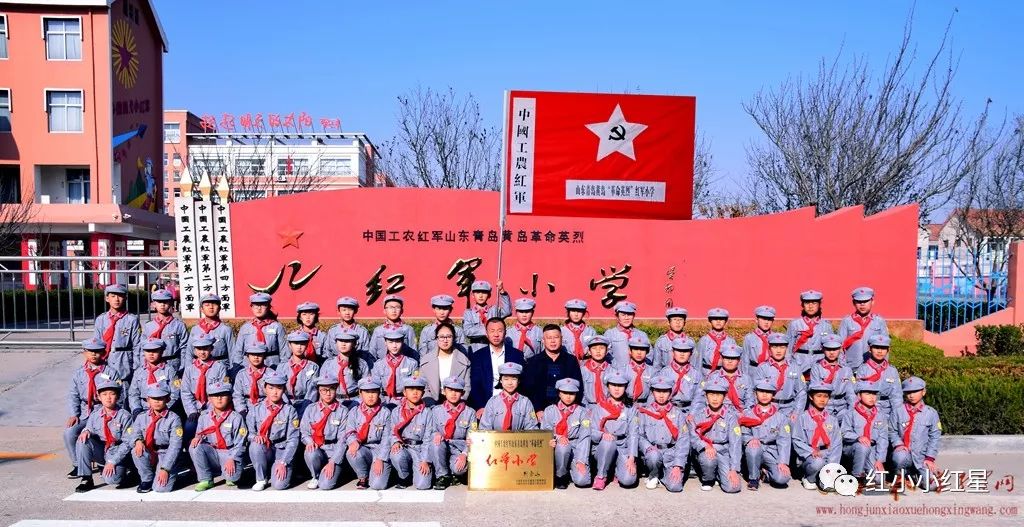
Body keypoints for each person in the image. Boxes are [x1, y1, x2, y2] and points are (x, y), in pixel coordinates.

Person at [64, 337, 121, 477]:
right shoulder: (79, 373)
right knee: (69, 432)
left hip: (103, 412)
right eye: (90, 351)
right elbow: (73, 395)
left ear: (103, 352)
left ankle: (103, 460)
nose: (94, 354)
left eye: (97, 351)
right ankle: (78, 464)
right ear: (84, 352)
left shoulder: (111, 372)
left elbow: (120, 395)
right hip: (85, 412)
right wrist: (74, 414)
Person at [72, 376, 132, 492]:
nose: (108, 398)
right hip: (102, 449)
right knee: (82, 440)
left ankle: (126, 470)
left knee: (112, 479)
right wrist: (86, 431)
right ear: (99, 397)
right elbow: (89, 427)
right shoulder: (95, 414)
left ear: (118, 396)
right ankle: (86, 478)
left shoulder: (125, 416)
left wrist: (112, 461)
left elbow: (128, 443)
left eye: (112, 394)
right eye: (104, 394)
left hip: (117, 451)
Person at [188, 380, 247, 491]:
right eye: (215, 395)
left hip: (229, 453)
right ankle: (206, 479)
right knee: (194, 446)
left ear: (229, 397)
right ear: (209, 399)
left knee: (233, 479)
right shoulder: (204, 417)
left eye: (223, 395)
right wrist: (197, 438)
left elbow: (241, 443)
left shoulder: (236, 417)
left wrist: (232, 458)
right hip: (213, 452)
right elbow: (199, 435)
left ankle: (228, 473)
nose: (219, 398)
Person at [246, 371, 299, 491]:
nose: (275, 392)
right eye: (271, 388)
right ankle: (261, 478)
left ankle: (284, 468)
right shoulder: (256, 409)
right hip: (265, 448)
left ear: (284, 390)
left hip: (282, 449)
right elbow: (249, 432)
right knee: (255, 445)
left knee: (279, 485)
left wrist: (283, 462)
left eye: (279, 388)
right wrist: (254, 437)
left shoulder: (290, 410)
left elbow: (293, 439)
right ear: (265, 389)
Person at [688, 376, 742, 493]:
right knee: (709, 459)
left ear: (724, 397)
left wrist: (734, 470)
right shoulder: (699, 415)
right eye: (711, 394)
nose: (715, 398)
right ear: (706, 396)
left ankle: (719, 474)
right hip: (706, 451)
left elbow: (735, 444)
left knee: (733, 488)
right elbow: (693, 437)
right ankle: (708, 479)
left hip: (724, 452)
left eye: (718, 395)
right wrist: (705, 446)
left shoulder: (731, 417)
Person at [638, 375, 690, 492]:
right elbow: (640, 435)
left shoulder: (678, 414)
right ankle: (654, 474)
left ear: (670, 392)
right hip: (653, 452)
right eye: (658, 391)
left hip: (671, 453)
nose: (661, 395)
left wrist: (678, 465)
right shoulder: (645, 412)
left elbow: (683, 440)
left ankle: (663, 475)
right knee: (653, 456)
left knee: (675, 487)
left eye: (665, 391)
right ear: (652, 392)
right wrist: (648, 448)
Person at [738, 379, 792, 491]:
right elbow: (743, 433)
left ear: (773, 395)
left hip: (772, 451)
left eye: (768, 392)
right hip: (754, 450)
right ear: (755, 394)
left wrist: (783, 462)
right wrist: (749, 439)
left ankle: (766, 474)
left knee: (783, 478)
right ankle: (754, 478)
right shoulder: (748, 414)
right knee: (753, 448)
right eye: (761, 391)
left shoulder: (780, 417)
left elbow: (784, 441)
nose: (764, 395)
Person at [890, 377, 942, 491]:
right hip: (905, 453)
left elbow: (935, 437)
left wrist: (929, 458)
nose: (911, 395)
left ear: (923, 392)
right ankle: (900, 476)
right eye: (908, 392)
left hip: (922, 457)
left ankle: (916, 474)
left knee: (932, 486)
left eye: (915, 391)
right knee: (899, 457)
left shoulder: (931, 413)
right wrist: (898, 444)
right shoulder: (898, 411)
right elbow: (892, 431)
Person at [588, 369, 638, 490]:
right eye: (613, 385)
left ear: (625, 387)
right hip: (603, 447)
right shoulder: (599, 408)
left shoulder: (630, 409)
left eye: (620, 385)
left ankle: (616, 471)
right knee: (608, 442)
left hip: (622, 447)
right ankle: (601, 476)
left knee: (628, 480)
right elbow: (592, 432)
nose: (617, 389)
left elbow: (633, 433)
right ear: (608, 387)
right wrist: (602, 435)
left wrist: (632, 457)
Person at [129, 384, 183, 493]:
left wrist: (165, 468)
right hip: (150, 451)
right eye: (153, 398)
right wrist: (138, 440)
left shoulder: (174, 418)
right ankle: (147, 479)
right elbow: (134, 434)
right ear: (148, 400)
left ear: (167, 399)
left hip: (165, 453)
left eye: (160, 398)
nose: (156, 401)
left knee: (161, 488)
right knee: (136, 450)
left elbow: (175, 446)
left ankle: (169, 471)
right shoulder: (141, 417)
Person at [299, 373, 350, 490]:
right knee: (310, 452)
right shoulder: (311, 409)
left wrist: (333, 461)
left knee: (326, 485)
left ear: (336, 389)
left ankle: (336, 471)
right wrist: (309, 442)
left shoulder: (343, 411)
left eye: (331, 389)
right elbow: (304, 431)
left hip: (333, 450)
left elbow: (343, 440)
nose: (328, 393)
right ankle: (315, 475)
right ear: (318, 390)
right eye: (324, 390)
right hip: (318, 449)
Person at [540, 378, 592, 489]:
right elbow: (545, 432)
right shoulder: (550, 410)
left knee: (582, 481)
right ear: (559, 393)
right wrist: (558, 437)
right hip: (555, 447)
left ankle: (571, 469)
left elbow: (585, 437)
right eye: (565, 393)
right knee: (563, 446)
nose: (568, 397)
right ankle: (561, 475)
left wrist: (581, 460)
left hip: (575, 447)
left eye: (572, 393)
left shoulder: (582, 412)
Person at [522, 324, 584, 414]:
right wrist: (537, 409)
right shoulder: (533, 362)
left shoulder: (571, 361)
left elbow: (578, 387)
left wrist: (571, 409)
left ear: (561, 339)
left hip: (567, 410)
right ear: (543, 340)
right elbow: (528, 389)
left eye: (556, 337)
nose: (553, 341)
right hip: (540, 411)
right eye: (549, 338)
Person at [428, 376, 477, 490]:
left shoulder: (470, 412)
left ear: (463, 393)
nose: (453, 394)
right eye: (450, 390)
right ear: (443, 391)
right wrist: (436, 434)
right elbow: (431, 430)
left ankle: (454, 474)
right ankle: (442, 475)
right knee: (436, 443)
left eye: (457, 391)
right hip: (442, 445)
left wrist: (464, 454)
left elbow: (472, 437)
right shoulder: (436, 411)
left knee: (460, 469)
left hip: (459, 448)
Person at [792, 381, 843, 490]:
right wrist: (810, 451)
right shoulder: (802, 418)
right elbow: (796, 440)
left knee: (828, 485)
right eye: (818, 396)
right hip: (809, 457)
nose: (822, 399)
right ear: (811, 397)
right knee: (817, 462)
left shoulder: (832, 420)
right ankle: (809, 478)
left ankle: (824, 477)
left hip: (827, 454)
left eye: (826, 396)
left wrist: (832, 466)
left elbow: (836, 444)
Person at [343, 378, 392, 490]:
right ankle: (363, 477)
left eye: (374, 392)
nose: (370, 396)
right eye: (367, 392)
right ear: (360, 393)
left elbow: (387, 439)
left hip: (378, 449)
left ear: (379, 393)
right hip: (363, 448)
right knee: (351, 453)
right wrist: (353, 441)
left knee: (378, 485)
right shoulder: (354, 412)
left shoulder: (385, 413)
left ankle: (384, 471)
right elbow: (349, 430)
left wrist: (380, 459)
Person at [387, 376, 433, 490]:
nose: (415, 392)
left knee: (423, 485)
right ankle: (404, 476)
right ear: (404, 392)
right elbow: (392, 431)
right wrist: (395, 442)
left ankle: (418, 471)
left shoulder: (427, 412)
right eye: (411, 389)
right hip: (404, 447)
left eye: (418, 389)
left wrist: (425, 460)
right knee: (396, 454)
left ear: (423, 392)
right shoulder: (396, 411)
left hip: (420, 449)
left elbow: (428, 438)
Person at [468, 318, 524, 410]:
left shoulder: (516, 355)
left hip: (512, 404)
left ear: (505, 333)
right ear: (486, 334)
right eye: (492, 331)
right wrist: (480, 407)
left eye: (500, 331)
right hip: (486, 404)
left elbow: (522, 383)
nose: (496, 335)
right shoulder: (478, 356)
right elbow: (475, 385)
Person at [181, 335, 230, 442]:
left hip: (212, 407)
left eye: (205, 348)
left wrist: (212, 409)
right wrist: (192, 411)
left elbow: (222, 391)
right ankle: (189, 455)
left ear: (211, 349)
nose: (202, 352)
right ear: (194, 351)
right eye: (199, 349)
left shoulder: (220, 367)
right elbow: (185, 392)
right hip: (195, 407)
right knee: (189, 429)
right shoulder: (190, 369)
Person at [841, 380, 889, 485]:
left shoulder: (881, 415)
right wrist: (858, 437)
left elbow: (883, 439)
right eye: (867, 393)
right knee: (862, 447)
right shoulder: (850, 413)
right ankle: (856, 477)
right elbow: (844, 433)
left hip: (872, 449)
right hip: (853, 447)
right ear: (859, 395)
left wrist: (879, 460)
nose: (872, 397)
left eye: (874, 394)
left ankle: (868, 472)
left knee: (879, 479)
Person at [92, 283, 141, 379]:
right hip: (106, 360)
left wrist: (136, 367)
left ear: (125, 298)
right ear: (107, 298)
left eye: (120, 296)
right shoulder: (101, 320)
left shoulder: (132, 320)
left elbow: (137, 345)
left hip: (125, 361)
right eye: (113, 296)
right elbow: (96, 344)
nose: (116, 299)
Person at [418, 321, 472, 406]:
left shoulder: (464, 361)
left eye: (449, 337)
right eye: (442, 337)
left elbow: (466, 387)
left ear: (454, 338)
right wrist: (430, 403)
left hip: (456, 404)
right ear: (436, 339)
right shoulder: (426, 361)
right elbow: (423, 386)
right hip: (432, 403)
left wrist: (457, 402)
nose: (445, 340)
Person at [752, 333, 806, 418]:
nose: (778, 351)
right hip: (769, 408)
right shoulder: (763, 368)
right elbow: (756, 392)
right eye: (775, 347)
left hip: (789, 409)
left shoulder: (795, 368)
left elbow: (801, 392)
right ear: (769, 349)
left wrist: (796, 412)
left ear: (787, 349)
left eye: (782, 347)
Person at [838, 287, 889, 370]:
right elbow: (839, 346)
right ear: (853, 303)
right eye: (859, 302)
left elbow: (885, 346)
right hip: (850, 367)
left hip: (873, 367)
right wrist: (843, 366)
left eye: (865, 301)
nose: (862, 304)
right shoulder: (847, 321)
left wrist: (884, 367)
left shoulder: (879, 321)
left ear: (872, 302)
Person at [127, 338, 180, 417]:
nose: (151, 354)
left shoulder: (169, 370)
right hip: (143, 409)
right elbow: (133, 394)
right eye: (148, 351)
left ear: (161, 352)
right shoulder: (139, 372)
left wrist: (165, 408)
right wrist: (136, 408)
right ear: (144, 353)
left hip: (164, 410)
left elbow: (175, 393)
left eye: (155, 351)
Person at [479, 362, 539, 431]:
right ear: (501, 380)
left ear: (519, 381)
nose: (510, 383)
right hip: (495, 440)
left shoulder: (525, 402)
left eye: (514, 379)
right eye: (506, 379)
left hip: (518, 440)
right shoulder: (492, 402)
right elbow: (484, 428)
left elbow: (532, 429)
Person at [232, 292, 288, 368]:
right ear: (251, 307)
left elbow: (284, 350)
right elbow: (238, 351)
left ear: (268, 307)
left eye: (262, 305)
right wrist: (237, 368)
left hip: (272, 365)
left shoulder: (276, 326)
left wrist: (283, 368)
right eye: (256, 305)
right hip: (249, 367)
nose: (259, 308)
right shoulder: (245, 327)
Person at [786, 290, 835, 375]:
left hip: (819, 361)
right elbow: (788, 347)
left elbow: (831, 346)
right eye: (807, 303)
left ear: (819, 305)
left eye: (814, 303)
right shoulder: (795, 324)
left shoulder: (826, 325)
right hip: (799, 361)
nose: (810, 306)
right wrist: (788, 364)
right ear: (802, 305)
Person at [854, 334, 902, 417]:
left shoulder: (892, 370)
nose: (880, 351)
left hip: (887, 410)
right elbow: (859, 394)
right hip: (867, 409)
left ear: (888, 350)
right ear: (870, 349)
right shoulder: (863, 369)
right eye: (876, 347)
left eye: (883, 348)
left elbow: (896, 396)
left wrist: (897, 415)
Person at [697, 343, 752, 415]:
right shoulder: (713, 377)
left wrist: (746, 413)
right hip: (720, 414)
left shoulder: (746, 379)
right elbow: (704, 399)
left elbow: (750, 400)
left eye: (733, 358)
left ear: (739, 361)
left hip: (742, 414)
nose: (730, 361)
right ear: (721, 359)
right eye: (727, 358)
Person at [809, 334, 856, 418]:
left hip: (842, 406)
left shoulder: (846, 369)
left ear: (840, 349)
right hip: (824, 405)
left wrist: (852, 410)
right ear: (823, 349)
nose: (831, 352)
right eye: (828, 349)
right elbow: (815, 392)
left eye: (835, 349)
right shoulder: (816, 367)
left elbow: (850, 393)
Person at [143, 289, 188, 373]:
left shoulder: (179, 325)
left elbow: (184, 348)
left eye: (165, 302)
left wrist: (183, 367)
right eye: (159, 302)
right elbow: (142, 348)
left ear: (170, 303)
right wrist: (143, 365)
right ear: (153, 304)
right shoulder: (148, 326)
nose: (162, 305)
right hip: (152, 365)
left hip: (173, 363)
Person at [278, 330, 321, 417]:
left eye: (302, 343)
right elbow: (279, 388)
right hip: (286, 404)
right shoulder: (282, 367)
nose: (299, 347)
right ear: (290, 345)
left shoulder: (313, 367)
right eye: (296, 343)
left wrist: (306, 407)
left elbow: (312, 391)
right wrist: (287, 406)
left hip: (305, 404)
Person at [657, 336, 703, 414]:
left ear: (691, 354)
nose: (682, 354)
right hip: (669, 410)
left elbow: (699, 397)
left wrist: (692, 414)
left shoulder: (696, 374)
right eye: (678, 350)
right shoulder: (664, 373)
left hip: (690, 411)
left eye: (685, 351)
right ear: (672, 352)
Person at [323, 332, 370, 406]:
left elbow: (366, 386)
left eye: (347, 341)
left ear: (354, 344)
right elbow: (322, 386)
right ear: (336, 343)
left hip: (355, 401)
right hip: (333, 401)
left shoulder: (361, 364)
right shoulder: (328, 364)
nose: (343, 344)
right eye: (340, 341)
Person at [371, 329, 420, 402]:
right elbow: (375, 386)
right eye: (390, 342)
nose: (394, 346)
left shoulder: (412, 364)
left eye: (398, 342)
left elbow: (414, 386)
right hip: (384, 400)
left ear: (403, 342)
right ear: (385, 343)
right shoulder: (378, 365)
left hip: (404, 400)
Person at [368, 295, 418, 361]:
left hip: (404, 367)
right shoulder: (378, 330)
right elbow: (372, 352)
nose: (394, 310)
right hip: (381, 368)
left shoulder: (408, 329)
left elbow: (413, 352)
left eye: (397, 307)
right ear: (384, 311)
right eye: (390, 307)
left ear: (402, 311)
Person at [188, 294, 234, 364]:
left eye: (214, 304)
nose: (211, 307)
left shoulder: (225, 329)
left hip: (221, 367)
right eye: (207, 305)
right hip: (198, 367)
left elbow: (232, 353)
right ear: (201, 309)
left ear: (219, 308)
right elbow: (189, 353)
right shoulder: (195, 329)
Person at [232, 344, 271, 417]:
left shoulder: (271, 374)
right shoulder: (241, 375)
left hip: (265, 408)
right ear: (247, 356)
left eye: (259, 355)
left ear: (264, 356)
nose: (256, 357)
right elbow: (237, 395)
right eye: (253, 354)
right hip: (247, 407)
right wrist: (242, 411)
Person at [697, 307, 737, 375]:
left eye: (721, 319)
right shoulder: (704, 340)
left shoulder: (730, 341)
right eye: (715, 319)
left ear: (725, 321)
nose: (718, 321)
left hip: (724, 374)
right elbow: (698, 361)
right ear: (710, 320)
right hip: (706, 373)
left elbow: (734, 360)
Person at [741, 306, 777, 377]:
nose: (766, 322)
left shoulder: (776, 338)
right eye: (763, 319)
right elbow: (745, 359)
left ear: (772, 321)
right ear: (756, 320)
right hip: (754, 371)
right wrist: (745, 377)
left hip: (771, 371)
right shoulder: (749, 338)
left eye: (769, 319)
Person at [579, 335, 614, 405]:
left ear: (607, 351)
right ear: (589, 351)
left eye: (602, 348)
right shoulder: (582, 371)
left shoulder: (612, 371)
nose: (598, 351)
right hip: (588, 406)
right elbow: (580, 393)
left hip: (608, 406)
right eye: (594, 348)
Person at [624, 336, 656, 404]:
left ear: (647, 352)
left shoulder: (652, 371)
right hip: (627, 405)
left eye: (642, 349)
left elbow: (653, 392)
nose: (639, 353)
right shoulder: (623, 370)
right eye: (635, 349)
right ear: (630, 351)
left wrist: (648, 406)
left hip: (645, 405)